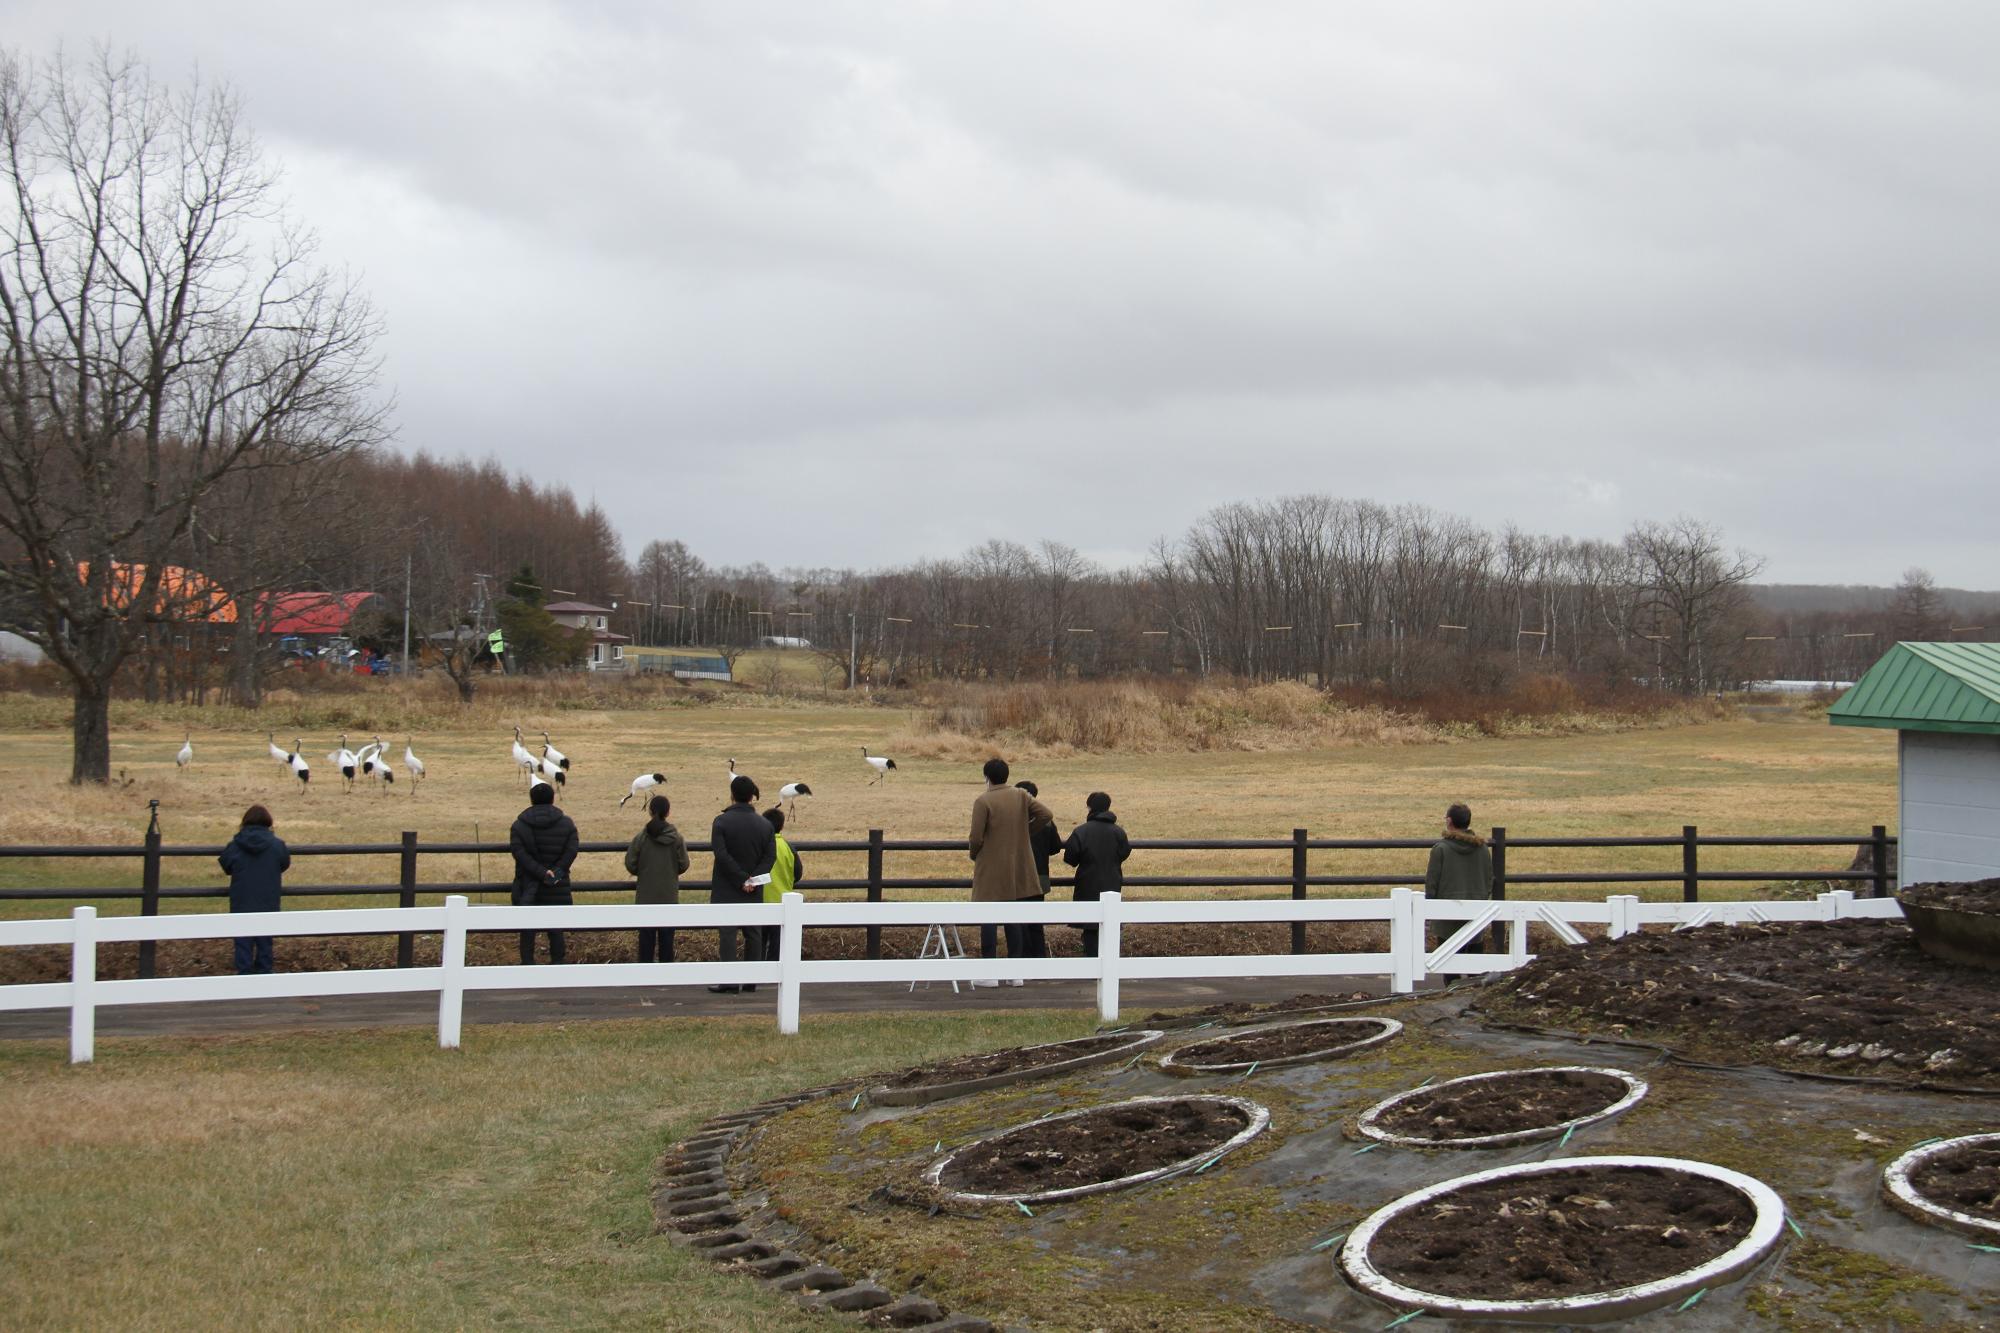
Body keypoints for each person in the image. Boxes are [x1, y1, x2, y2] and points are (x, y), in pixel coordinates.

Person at [967, 757, 1054, 986]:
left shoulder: (983, 801)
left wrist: (975, 853)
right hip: (1017, 865)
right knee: (1013, 917)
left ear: (986, 777)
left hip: (991, 865)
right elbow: (1046, 814)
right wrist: (1025, 832)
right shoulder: (1021, 795)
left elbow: (976, 837)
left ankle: (990, 972)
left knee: (988, 918)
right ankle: (1016, 971)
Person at [709, 773, 775, 993]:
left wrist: (740, 878)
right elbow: (769, 857)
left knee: (728, 934)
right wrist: (752, 880)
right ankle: (751, 980)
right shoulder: (765, 825)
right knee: (753, 934)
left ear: (732, 795)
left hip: (727, 887)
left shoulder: (721, 821)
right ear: (751, 796)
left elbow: (721, 854)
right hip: (754, 889)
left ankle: (728, 981)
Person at [510, 780, 580, 964]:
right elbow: (571, 850)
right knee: (556, 930)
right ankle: (557, 968)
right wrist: (556, 872)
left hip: (529, 884)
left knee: (527, 930)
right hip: (557, 884)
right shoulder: (566, 824)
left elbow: (519, 854)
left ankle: (527, 967)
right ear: (552, 799)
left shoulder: (519, 825)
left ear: (531, 800)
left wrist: (541, 872)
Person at [218, 804, 289, 975]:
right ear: (268, 823)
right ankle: (264, 972)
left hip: (242, 898)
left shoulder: (236, 844)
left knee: (242, 940)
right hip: (268, 898)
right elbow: (284, 863)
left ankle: (244, 974)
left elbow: (226, 864)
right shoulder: (277, 845)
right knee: (265, 940)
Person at [1063, 791, 1130, 958]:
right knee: (1110, 925)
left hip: (1087, 884)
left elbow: (1070, 858)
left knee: (1091, 927)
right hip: (1113, 883)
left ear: (1090, 808)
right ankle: (1111, 963)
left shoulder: (1081, 831)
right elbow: (1124, 853)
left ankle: (1092, 964)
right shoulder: (1118, 832)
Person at [625, 793, 689, 963]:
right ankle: (666, 973)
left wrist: (645, 871)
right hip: (669, 895)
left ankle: (645, 973)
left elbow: (630, 863)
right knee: (667, 939)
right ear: (668, 812)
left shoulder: (641, 838)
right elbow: (684, 864)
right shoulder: (676, 838)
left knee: (646, 939)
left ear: (650, 812)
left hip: (646, 895)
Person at [1424, 802, 1494, 953]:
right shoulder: (1482, 849)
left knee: (1448, 964)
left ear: (1449, 821)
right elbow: (1489, 880)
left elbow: (1431, 884)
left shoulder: (1441, 849)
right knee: (1475, 966)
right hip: (1475, 914)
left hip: (1446, 918)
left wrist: (1430, 908)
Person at [762, 806, 804, 963]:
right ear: (782, 825)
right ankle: (775, 973)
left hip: (762, 899)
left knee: (758, 940)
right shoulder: (788, 847)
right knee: (777, 942)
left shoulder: (761, 845)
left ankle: (758, 973)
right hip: (783, 900)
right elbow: (798, 873)